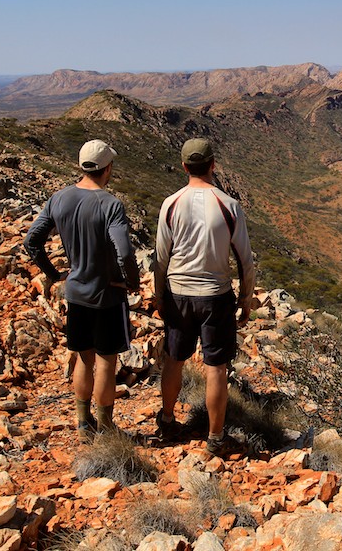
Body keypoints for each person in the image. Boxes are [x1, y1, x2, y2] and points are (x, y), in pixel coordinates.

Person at [24, 139, 140, 441]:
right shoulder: (110, 204)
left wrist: (54, 274)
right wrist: (131, 281)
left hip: (75, 293)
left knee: (83, 358)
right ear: (107, 168)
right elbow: (125, 252)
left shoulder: (59, 199)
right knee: (106, 361)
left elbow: (31, 241)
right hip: (107, 295)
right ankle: (105, 427)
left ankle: (82, 422)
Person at [154, 138, 255, 455]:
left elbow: (161, 258)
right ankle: (215, 437)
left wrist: (160, 297)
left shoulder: (171, 203)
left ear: (184, 166)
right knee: (216, 368)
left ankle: (168, 421)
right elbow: (245, 260)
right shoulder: (229, 205)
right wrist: (245, 300)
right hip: (215, 296)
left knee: (174, 359)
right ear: (213, 165)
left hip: (178, 293)